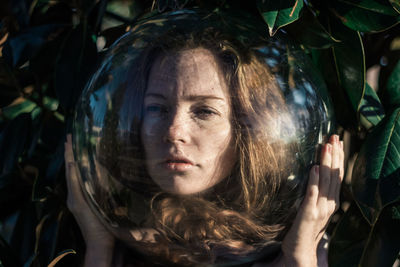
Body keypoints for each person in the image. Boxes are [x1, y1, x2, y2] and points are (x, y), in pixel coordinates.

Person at [64, 27, 344, 267]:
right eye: (157, 108)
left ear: (247, 132)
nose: (174, 131)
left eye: (204, 111)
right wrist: (100, 248)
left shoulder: (290, 242)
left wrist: (301, 255)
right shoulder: (123, 237)